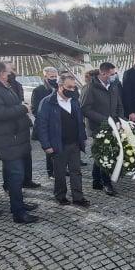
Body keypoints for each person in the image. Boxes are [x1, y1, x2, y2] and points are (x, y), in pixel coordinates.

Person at [0, 62, 40, 223]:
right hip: (7, 139)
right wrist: (23, 109)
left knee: (16, 175)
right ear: (1, 73)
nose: (13, 73)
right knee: (16, 175)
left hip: (15, 138)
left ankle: (19, 204)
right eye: (10, 71)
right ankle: (18, 212)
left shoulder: (4, 86)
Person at [36, 73, 90, 207]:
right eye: (69, 87)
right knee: (59, 172)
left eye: (74, 87)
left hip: (74, 143)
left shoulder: (74, 101)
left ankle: (78, 197)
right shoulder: (47, 102)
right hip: (58, 144)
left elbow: (79, 121)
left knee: (76, 171)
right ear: (60, 86)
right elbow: (41, 125)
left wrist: (82, 137)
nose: (72, 90)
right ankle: (60, 195)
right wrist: (46, 145)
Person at [81, 63, 125, 196]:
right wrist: (105, 120)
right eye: (112, 74)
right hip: (98, 127)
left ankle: (96, 181)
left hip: (113, 125)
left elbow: (119, 104)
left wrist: (120, 120)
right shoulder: (90, 88)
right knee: (106, 153)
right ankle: (107, 183)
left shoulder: (114, 86)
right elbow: (85, 109)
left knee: (101, 153)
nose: (114, 76)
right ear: (103, 73)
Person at [4, 62, 40, 190]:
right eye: (12, 69)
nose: (15, 71)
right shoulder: (0, 87)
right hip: (11, 128)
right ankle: (10, 185)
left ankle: (27, 179)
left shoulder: (17, 85)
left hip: (22, 124)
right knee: (12, 160)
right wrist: (22, 108)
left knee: (26, 155)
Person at [32, 67, 59, 179]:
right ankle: (51, 171)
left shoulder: (59, 88)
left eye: (55, 76)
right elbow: (35, 109)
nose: (54, 79)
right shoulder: (39, 90)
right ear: (45, 77)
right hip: (47, 125)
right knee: (50, 149)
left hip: (59, 123)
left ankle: (60, 168)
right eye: (51, 77)